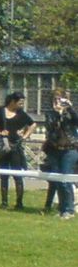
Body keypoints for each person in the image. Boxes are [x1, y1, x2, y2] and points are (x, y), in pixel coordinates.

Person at [0, 92, 36, 209]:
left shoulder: (21, 114)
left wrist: (25, 136)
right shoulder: (1, 111)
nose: (22, 105)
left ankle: (19, 203)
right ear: (13, 101)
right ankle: (4, 202)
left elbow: (32, 124)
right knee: (4, 175)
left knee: (17, 175)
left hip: (16, 147)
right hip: (4, 147)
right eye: (20, 102)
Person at [43, 89, 78, 220]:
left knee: (65, 180)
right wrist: (58, 114)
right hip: (55, 149)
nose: (57, 102)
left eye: (60, 99)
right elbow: (51, 129)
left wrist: (69, 109)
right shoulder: (50, 114)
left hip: (70, 149)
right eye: (55, 99)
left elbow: (76, 121)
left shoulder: (70, 113)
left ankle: (69, 210)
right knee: (58, 180)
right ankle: (62, 208)